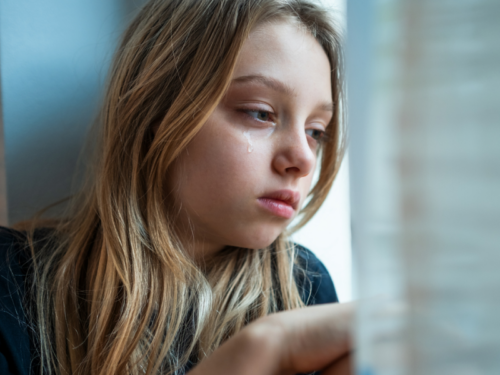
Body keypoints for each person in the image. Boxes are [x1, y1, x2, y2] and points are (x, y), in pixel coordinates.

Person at [0, 0, 353, 374]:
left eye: (316, 132)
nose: (303, 158)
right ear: (157, 112)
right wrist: (259, 349)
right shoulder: (11, 280)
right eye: (260, 112)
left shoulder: (304, 285)